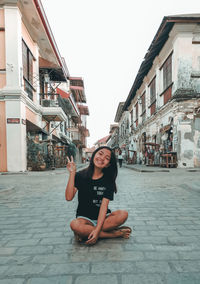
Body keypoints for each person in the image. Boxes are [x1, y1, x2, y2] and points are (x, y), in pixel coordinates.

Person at [65, 146, 132, 245]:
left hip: (104, 218)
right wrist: (72, 174)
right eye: (100, 154)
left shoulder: (108, 180)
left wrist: (97, 230)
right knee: (74, 224)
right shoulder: (80, 176)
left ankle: (86, 233)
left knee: (123, 214)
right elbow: (69, 197)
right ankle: (113, 234)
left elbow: (103, 207)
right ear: (94, 155)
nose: (102, 158)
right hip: (84, 219)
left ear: (108, 164)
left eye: (107, 158)